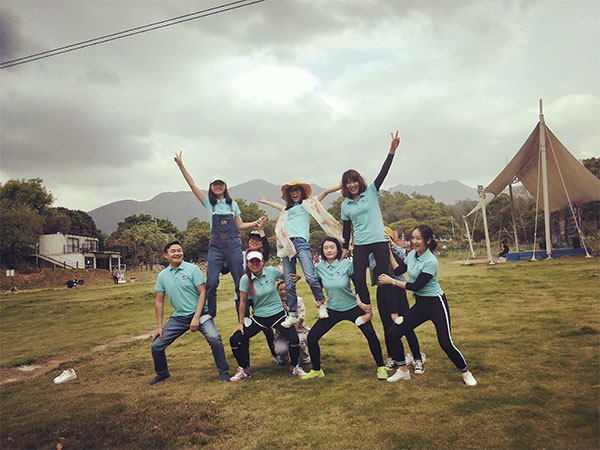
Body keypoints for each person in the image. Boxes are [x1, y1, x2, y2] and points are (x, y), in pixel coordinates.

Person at [379, 225, 477, 386]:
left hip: (436, 304)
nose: (414, 241)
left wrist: (392, 282)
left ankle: (466, 372)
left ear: (428, 240)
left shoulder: (431, 261)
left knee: (445, 342)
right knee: (393, 333)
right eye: (412, 238)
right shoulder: (412, 255)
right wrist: (389, 249)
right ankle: (403, 371)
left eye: (418, 238)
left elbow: (416, 286)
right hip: (421, 304)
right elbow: (398, 270)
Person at [174, 151, 265, 318]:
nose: (218, 186)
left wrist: (255, 223)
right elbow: (192, 185)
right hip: (216, 246)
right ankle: (211, 312)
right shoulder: (208, 203)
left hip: (233, 245)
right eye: (215, 184)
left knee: (240, 280)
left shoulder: (233, 204)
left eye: (221, 184)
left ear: (225, 186)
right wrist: (181, 165)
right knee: (211, 281)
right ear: (210, 187)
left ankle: (245, 316)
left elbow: (240, 225)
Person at [258, 182, 342, 328]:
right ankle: (292, 314)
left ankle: (321, 303)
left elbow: (325, 193)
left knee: (310, 276)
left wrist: (340, 186)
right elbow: (277, 205)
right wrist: (266, 202)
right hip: (287, 245)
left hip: (301, 243)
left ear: (302, 192)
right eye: (292, 191)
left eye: (297, 190)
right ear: (289, 195)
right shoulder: (286, 210)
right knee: (289, 283)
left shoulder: (307, 205)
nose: (294, 193)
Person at [303, 238, 388, 380]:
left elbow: (358, 284)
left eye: (332, 247)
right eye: (326, 248)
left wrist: (361, 302)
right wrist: (316, 299)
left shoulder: (346, 264)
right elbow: (317, 288)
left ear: (338, 249)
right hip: (333, 309)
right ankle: (317, 370)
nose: (329, 250)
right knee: (312, 337)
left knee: (371, 335)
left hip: (352, 307)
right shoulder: (320, 268)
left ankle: (381, 367)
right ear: (322, 251)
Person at [339, 131, 400, 321]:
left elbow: (383, 172)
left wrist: (391, 151)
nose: (352, 185)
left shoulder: (372, 192)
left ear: (359, 181)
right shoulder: (345, 205)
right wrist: (344, 248)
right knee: (358, 278)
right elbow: (346, 229)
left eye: (354, 181)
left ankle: (394, 312)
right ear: (345, 186)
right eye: (348, 183)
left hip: (378, 240)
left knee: (383, 276)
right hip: (360, 244)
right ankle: (367, 311)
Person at [150, 241, 230, 385]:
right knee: (156, 346)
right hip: (179, 318)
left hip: (200, 314)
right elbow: (159, 301)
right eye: (173, 251)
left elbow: (203, 292)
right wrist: (159, 327)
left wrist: (196, 317)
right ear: (166, 255)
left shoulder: (192, 269)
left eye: (179, 250)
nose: (177, 253)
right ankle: (162, 374)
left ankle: (224, 372)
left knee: (214, 338)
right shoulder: (162, 275)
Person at [229, 250, 307, 381]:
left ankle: (294, 367)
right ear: (247, 264)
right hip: (259, 316)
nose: (255, 264)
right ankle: (244, 370)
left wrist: (296, 277)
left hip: (278, 313)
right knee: (235, 339)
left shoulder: (271, 271)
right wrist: (240, 323)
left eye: (257, 261)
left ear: (263, 262)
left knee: (294, 338)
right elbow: (242, 302)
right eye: (251, 262)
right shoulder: (245, 279)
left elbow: (287, 277)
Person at [370, 227, 425, 374]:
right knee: (387, 326)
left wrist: (392, 246)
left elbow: (406, 260)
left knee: (406, 325)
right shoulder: (372, 255)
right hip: (382, 292)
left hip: (398, 290)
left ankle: (418, 358)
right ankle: (392, 357)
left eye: (385, 238)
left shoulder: (396, 251)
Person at [273, 281, 311, 366]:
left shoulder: (298, 300)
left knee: (298, 341)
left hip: (299, 331)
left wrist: (287, 309)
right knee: (280, 350)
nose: (283, 292)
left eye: (285, 289)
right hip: (283, 334)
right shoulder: (275, 304)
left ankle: (305, 360)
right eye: (280, 290)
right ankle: (284, 358)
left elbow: (300, 319)